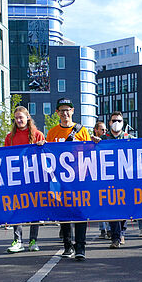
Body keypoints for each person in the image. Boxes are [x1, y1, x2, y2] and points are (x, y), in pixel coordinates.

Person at [46, 98, 92, 261]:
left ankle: (80, 247)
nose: (65, 113)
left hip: (79, 178)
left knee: (80, 212)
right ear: (57, 113)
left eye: (68, 110)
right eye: (61, 110)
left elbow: (89, 152)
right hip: (61, 178)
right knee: (64, 212)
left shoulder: (82, 131)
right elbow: (48, 153)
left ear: (72, 111)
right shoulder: (52, 132)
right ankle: (67, 245)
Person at [5, 106, 45, 253]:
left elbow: (45, 155)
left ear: (27, 117)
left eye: (21, 117)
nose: (18, 120)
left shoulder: (37, 134)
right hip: (17, 179)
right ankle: (18, 240)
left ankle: (33, 240)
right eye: (16, 118)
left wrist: (42, 146)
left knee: (34, 209)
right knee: (17, 210)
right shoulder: (9, 137)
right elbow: (4, 158)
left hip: (33, 179)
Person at [102, 112, 134, 248]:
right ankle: (115, 237)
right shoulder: (103, 138)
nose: (116, 122)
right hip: (109, 178)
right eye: (114, 120)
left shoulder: (129, 138)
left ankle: (121, 232)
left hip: (125, 178)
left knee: (123, 207)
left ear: (123, 123)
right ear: (109, 123)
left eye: (119, 120)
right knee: (113, 207)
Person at [93, 122, 109, 239]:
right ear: (96, 130)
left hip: (107, 177)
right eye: (102, 130)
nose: (104, 132)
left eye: (105, 130)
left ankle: (108, 229)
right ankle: (103, 229)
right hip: (97, 177)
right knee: (99, 204)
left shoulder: (107, 141)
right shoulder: (91, 141)